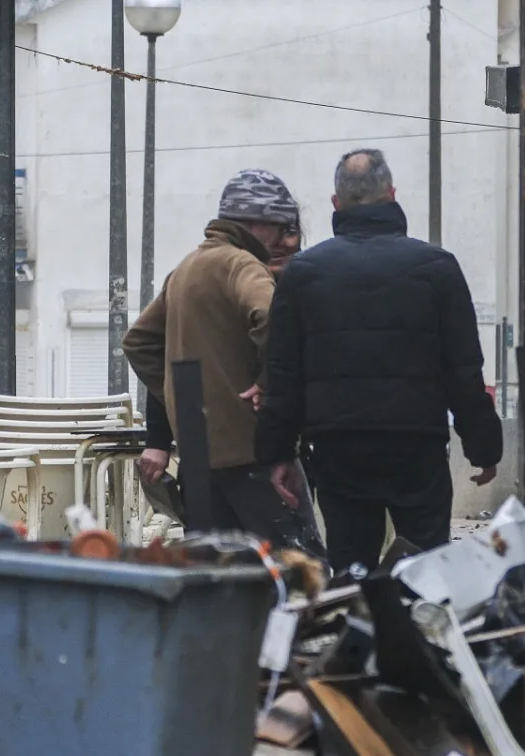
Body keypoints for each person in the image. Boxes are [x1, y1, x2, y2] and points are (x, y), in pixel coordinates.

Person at [254, 148, 502, 576]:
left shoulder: (305, 273)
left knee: (352, 569)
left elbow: (284, 374)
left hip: (339, 447)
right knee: (426, 569)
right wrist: (484, 446)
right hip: (417, 447)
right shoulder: (437, 269)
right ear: (392, 194)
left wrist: (277, 453)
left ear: (336, 203)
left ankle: (359, 637)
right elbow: (463, 369)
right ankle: (422, 637)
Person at [123, 168, 322, 552]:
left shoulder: (184, 270)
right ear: (254, 223)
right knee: (298, 571)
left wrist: (185, 402)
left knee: (217, 576)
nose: (281, 238)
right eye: (278, 227)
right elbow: (273, 319)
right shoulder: (242, 265)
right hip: (254, 453)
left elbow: (139, 342)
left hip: (198, 463)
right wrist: (269, 382)